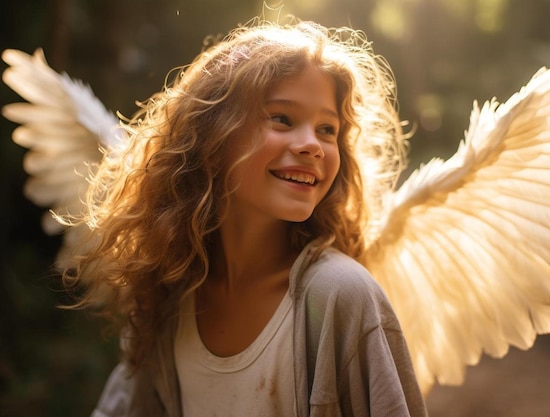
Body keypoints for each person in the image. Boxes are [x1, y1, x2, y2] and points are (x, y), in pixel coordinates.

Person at [62, 17, 428, 416]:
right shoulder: (171, 291)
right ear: (213, 133)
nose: (313, 145)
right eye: (283, 119)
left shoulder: (341, 294)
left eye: (328, 129)